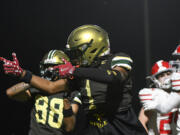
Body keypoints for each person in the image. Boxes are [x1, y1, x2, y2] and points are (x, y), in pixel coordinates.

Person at [0, 24, 147, 135]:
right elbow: (50, 87)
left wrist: (74, 70)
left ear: (92, 47)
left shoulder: (118, 58)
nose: (74, 57)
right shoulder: (80, 74)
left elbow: (117, 76)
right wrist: (23, 73)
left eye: (77, 52)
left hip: (121, 124)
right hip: (94, 128)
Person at [3, 50, 81, 135]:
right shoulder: (37, 88)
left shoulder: (72, 91)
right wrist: (32, 82)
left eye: (53, 66)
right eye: (46, 66)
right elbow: (10, 93)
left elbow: (69, 127)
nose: (49, 69)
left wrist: (67, 108)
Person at [138, 60, 178, 135]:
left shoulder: (177, 93)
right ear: (155, 80)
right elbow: (141, 122)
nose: (166, 77)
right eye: (161, 75)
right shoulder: (154, 95)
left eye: (168, 74)